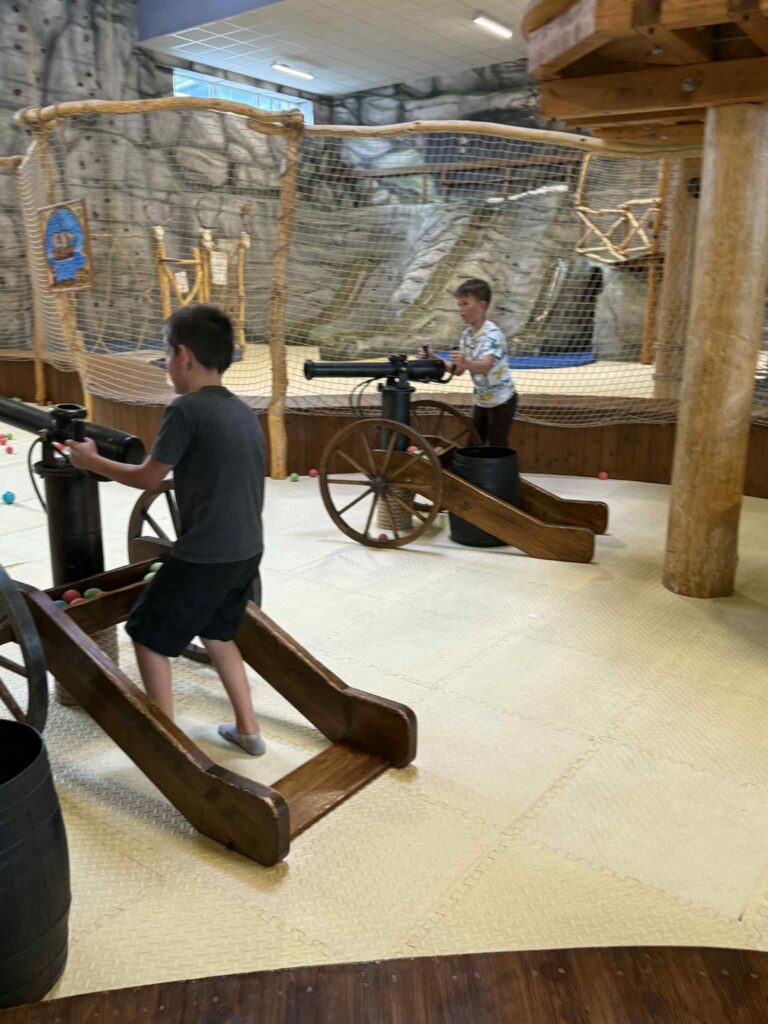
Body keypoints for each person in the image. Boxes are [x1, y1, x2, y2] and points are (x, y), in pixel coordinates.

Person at [65, 304, 267, 756]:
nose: (166, 364)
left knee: (146, 632)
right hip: (247, 550)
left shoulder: (186, 410)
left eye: (166, 353)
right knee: (218, 633)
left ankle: (168, 745)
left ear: (184, 356)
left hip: (206, 553)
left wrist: (91, 461)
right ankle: (249, 731)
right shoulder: (241, 410)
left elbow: (148, 478)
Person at [422, 279, 516, 447]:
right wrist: (433, 357)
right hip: (482, 401)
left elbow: (485, 366)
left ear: (481, 306)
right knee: (473, 446)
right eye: (459, 304)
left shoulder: (492, 334)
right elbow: (458, 370)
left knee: (498, 447)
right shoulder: (466, 336)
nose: (461, 309)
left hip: (502, 401)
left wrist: (465, 361)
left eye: (465, 304)